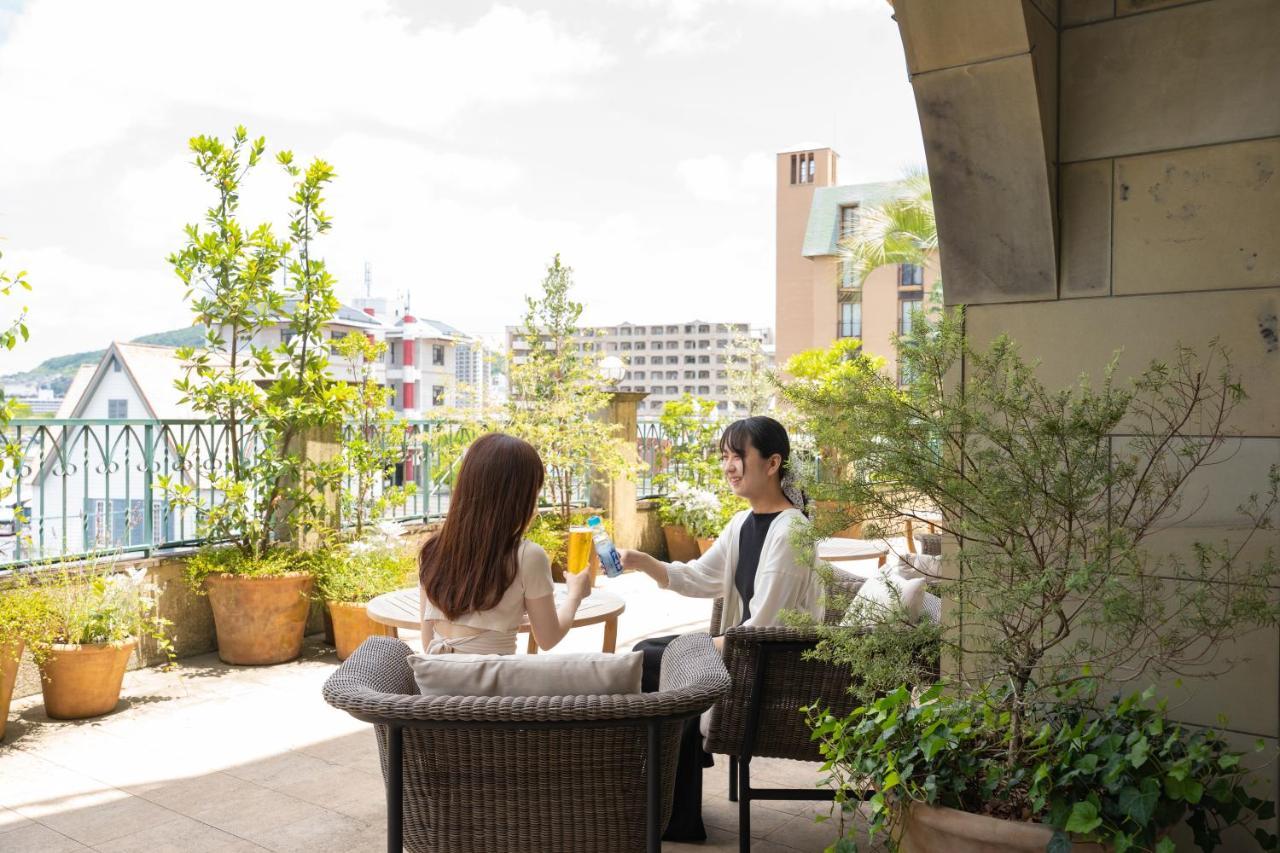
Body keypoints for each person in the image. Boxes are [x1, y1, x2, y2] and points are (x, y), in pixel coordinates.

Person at [619, 415, 823, 842]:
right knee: (647, 653)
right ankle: (674, 803)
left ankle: (673, 808)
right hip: (746, 653)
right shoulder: (742, 524)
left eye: (738, 456)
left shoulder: (791, 532)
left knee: (653, 659)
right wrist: (645, 563)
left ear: (772, 463)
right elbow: (701, 577)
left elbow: (767, 624)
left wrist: (699, 646)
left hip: (770, 667)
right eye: (725, 457)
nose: (729, 466)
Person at [417, 432, 592, 655]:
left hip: (437, 684)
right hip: (495, 688)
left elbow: (427, 642)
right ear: (520, 499)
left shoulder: (433, 550)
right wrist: (575, 595)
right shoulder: (528, 556)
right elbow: (548, 639)